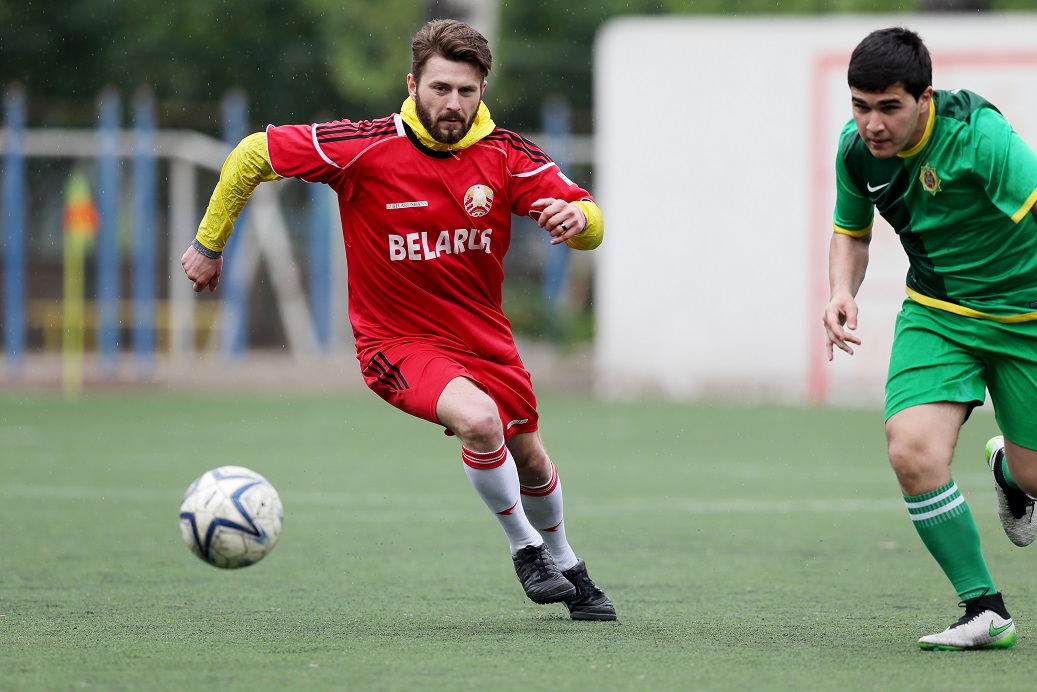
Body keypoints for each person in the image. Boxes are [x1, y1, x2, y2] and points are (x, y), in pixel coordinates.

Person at [181, 19, 615, 621]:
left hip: (485, 340)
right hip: (397, 341)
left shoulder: (506, 154)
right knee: (479, 420)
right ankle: (526, 549)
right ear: (412, 85)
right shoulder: (362, 147)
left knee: (532, 458)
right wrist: (209, 243)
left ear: (483, 90)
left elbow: (590, 218)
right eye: (440, 88)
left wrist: (579, 221)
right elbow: (252, 153)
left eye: (466, 91)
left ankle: (567, 564)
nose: (453, 103)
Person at [823, 26, 1037, 651]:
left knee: (1034, 474)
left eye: (889, 107)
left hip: (1026, 317)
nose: (872, 124)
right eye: (860, 106)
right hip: (938, 314)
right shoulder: (856, 153)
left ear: (924, 98)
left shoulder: (979, 136)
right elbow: (851, 232)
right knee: (911, 449)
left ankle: (1011, 472)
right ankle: (984, 609)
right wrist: (841, 290)